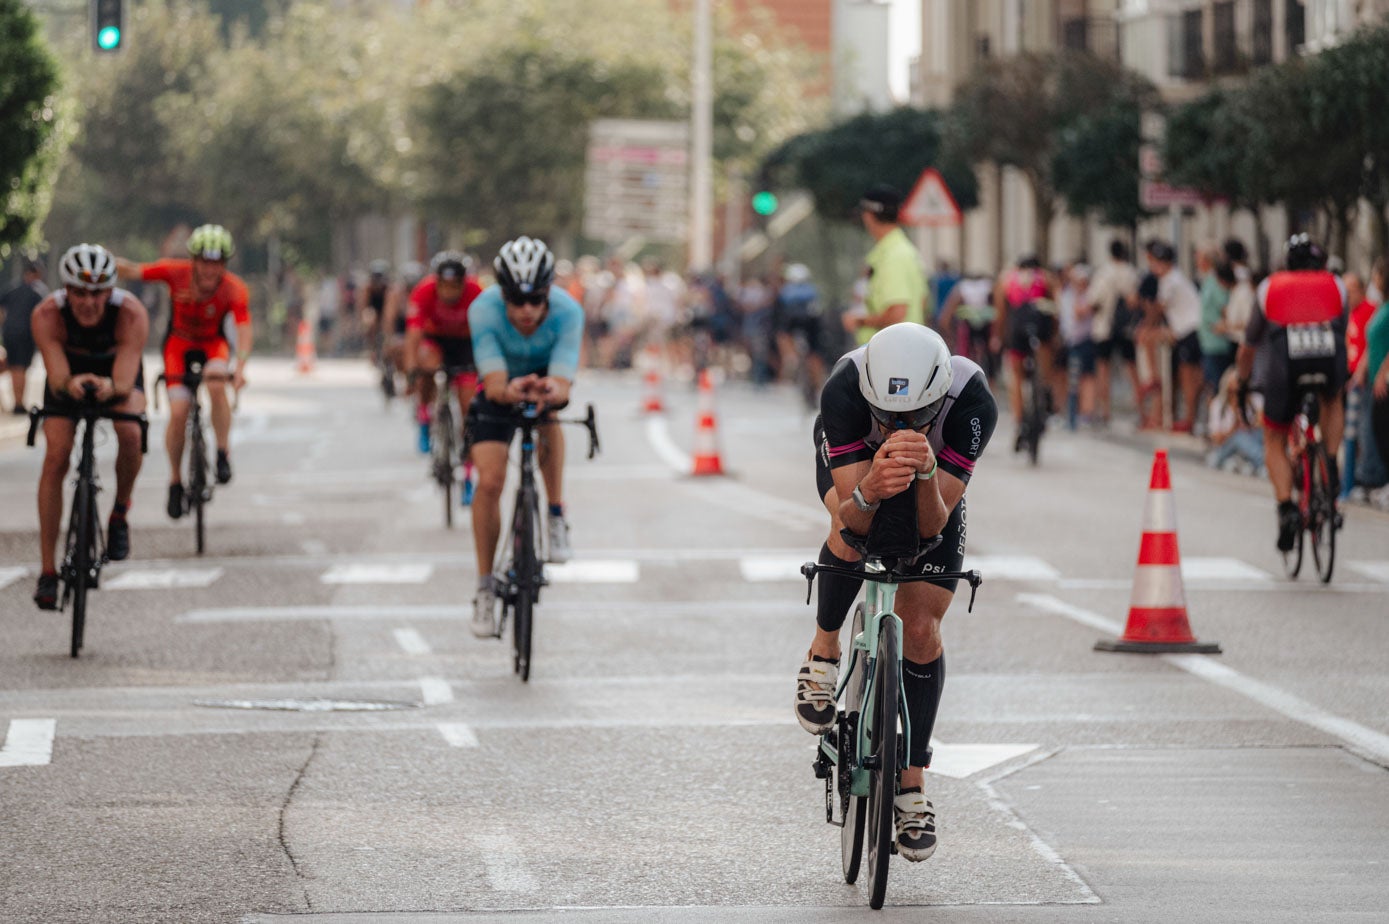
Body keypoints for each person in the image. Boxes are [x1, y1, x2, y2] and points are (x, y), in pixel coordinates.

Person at [797, 322, 997, 862]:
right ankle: (823, 652)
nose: (897, 427)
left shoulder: (971, 401)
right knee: (846, 532)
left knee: (923, 626)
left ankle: (911, 786)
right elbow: (850, 513)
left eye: (912, 419)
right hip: (857, 477)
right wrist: (868, 489)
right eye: (885, 417)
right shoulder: (844, 385)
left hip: (935, 488)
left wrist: (926, 473)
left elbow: (935, 524)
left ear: (937, 401)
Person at [467, 236, 584, 638]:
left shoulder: (569, 311)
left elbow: (565, 382)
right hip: (501, 391)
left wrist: (551, 389)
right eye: (516, 301)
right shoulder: (482, 310)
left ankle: (554, 515)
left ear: (549, 291)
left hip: (545, 390)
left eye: (536, 300)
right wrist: (513, 389)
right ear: (502, 295)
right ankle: (484, 587)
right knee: (490, 482)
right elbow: (496, 383)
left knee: (549, 417)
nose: (527, 311)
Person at [31, 245, 150, 606]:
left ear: (110, 292)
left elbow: (127, 382)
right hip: (66, 377)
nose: (89, 302)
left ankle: (118, 512)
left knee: (131, 432)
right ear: (65, 291)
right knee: (56, 455)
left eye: (98, 293)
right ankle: (48, 572)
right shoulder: (47, 314)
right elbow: (56, 377)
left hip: (117, 377)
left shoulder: (130, 314)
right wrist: (71, 384)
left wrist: (109, 388)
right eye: (80, 292)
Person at [115, 224, 251, 519]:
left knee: (216, 384)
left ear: (225, 264)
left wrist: (239, 368)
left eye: (217, 263)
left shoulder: (234, 288)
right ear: (193, 260)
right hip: (178, 343)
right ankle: (176, 480)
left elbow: (243, 330)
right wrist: (103, 262)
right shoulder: (175, 272)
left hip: (213, 344)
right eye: (204, 261)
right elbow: (133, 270)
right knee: (178, 412)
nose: (209, 270)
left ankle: (222, 453)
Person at [1235, 234, 1348, 552]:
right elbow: (1344, 327)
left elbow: (1248, 346)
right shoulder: (1336, 285)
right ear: (1321, 262)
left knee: (1273, 436)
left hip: (1285, 365)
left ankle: (1286, 509)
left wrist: (1243, 382)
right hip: (1328, 354)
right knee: (1332, 397)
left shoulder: (1269, 286)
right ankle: (1330, 461)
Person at [403, 251, 483, 477]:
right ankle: (424, 413)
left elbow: (486, 335)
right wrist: (411, 369)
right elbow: (413, 335)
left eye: (454, 285)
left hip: (465, 343)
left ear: (463, 282)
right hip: (436, 340)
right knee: (426, 363)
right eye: (444, 285)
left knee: (470, 408)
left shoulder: (476, 292)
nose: (448, 291)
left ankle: (468, 470)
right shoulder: (424, 291)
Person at [844, 185, 928, 345]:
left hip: (891, 354)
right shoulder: (902, 251)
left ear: (868, 216)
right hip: (903, 349)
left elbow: (897, 313)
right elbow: (923, 301)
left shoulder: (893, 256)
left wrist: (859, 320)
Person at [990, 256, 1054, 446]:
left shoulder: (1007, 279)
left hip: (1017, 331)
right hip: (1041, 331)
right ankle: (1044, 395)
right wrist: (1054, 338)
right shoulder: (1046, 278)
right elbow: (1054, 309)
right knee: (1043, 371)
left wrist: (998, 337)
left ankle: (1019, 422)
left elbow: (1001, 313)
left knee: (1016, 377)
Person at [1146, 241, 1204, 432]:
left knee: (1188, 378)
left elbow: (1159, 309)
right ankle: (1181, 416)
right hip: (1189, 330)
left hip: (1188, 331)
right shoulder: (1176, 278)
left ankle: (1189, 419)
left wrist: (1146, 328)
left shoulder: (1170, 280)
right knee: (1185, 377)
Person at [1, 258, 49, 414]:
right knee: (19, 368)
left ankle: (18, 401)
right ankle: (19, 404)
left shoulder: (13, 288)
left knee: (15, 367)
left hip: (9, 333)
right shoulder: (38, 291)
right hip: (25, 334)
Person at [1206, 367, 1265, 475]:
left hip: (1251, 443)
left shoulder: (1255, 400)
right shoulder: (1218, 405)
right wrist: (1234, 427)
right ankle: (1262, 461)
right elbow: (1216, 439)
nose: (1236, 396)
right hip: (1227, 446)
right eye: (1233, 392)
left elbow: (1263, 427)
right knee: (1239, 437)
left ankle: (1256, 463)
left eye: (1239, 392)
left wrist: (1249, 422)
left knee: (1253, 436)